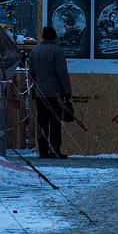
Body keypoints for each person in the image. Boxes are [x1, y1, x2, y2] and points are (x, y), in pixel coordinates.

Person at [29, 25, 72, 159]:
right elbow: (62, 73)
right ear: (54, 36)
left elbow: (31, 73)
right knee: (55, 122)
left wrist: (33, 90)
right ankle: (55, 150)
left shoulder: (35, 51)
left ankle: (43, 150)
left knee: (42, 122)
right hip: (55, 93)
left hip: (40, 93)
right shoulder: (57, 51)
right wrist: (67, 90)